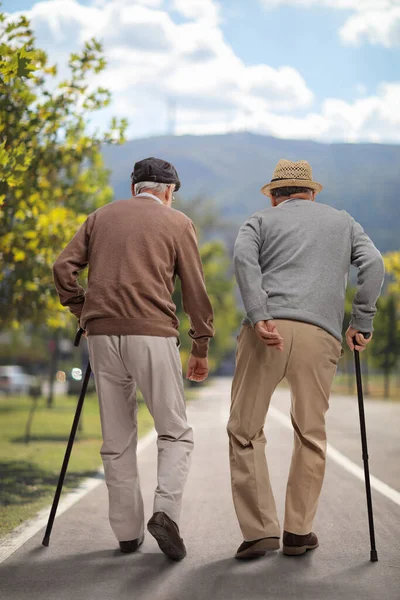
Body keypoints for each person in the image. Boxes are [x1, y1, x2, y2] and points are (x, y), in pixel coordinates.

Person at [53, 157, 214, 561]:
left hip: (102, 336)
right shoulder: (177, 223)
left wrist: (82, 311)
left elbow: (62, 268)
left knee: (117, 438)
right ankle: (165, 513)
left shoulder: (99, 217)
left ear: (134, 188)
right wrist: (201, 345)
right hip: (153, 334)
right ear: (168, 191)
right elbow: (194, 290)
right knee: (175, 432)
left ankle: (127, 533)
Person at [228, 158, 384, 559]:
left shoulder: (259, 221)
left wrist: (260, 312)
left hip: (268, 333)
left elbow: (244, 263)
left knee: (245, 430)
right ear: (311, 193)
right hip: (321, 335)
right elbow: (374, 264)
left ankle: (261, 530)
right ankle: (298, 532)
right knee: (310, 433)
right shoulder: (343, 222)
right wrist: (361, 320)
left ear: (275, 196)